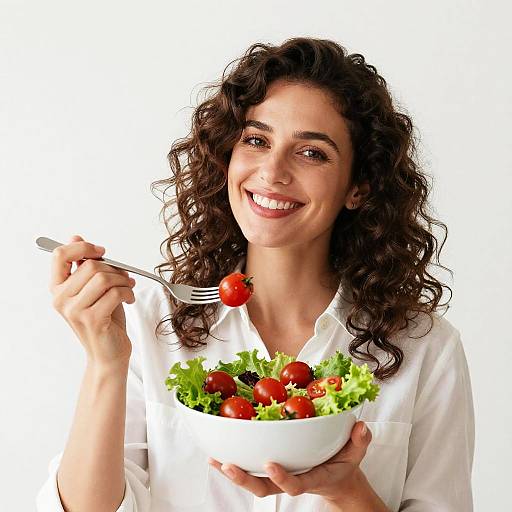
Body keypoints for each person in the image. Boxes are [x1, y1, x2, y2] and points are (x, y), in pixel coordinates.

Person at [36, 37, 474, 511]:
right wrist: (105, 364)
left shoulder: (425, 348)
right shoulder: (150, 319)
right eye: (257, 140)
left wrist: (347, 490)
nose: (272, 172)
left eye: (312, 153)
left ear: (359, 188)